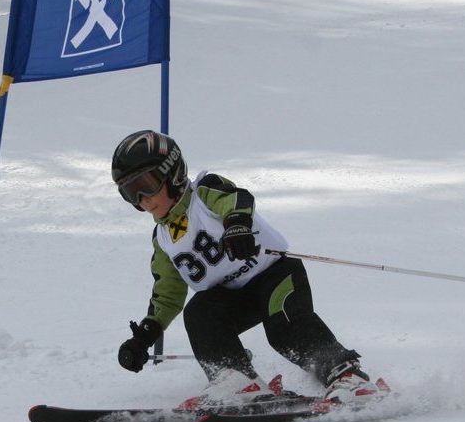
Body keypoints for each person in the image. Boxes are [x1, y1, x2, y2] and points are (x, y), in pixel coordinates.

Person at [112, 129, 370, 402]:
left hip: (274, 275)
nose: (143, 199)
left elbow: (236, 199)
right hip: (235, 297)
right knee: (199, 312)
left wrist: (237, 225)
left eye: (147, 185)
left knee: (284, 328)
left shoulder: (203, 192)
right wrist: (145, 336)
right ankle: (237, 381)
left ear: (172, 173)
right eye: (130, 193)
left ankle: (346, 376)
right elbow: (168, 293)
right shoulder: (163, 240)